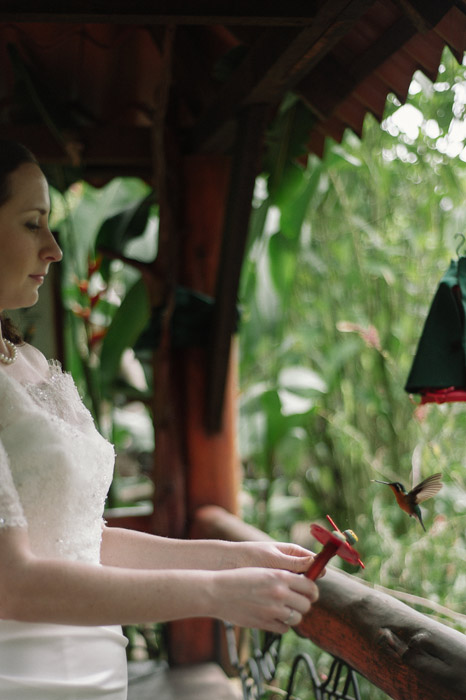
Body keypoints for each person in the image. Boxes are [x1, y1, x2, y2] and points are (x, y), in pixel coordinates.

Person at [0, 139, 320, 699]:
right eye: (32, 224)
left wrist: (237, 558)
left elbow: (80, 540)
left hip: (95, 675)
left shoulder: (23, 361)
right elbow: (12, 582)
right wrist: (213, 597)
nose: (53, 249)